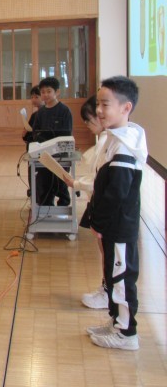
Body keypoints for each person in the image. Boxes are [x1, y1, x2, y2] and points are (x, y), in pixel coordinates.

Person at [83, 76, 147, 351]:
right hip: (111, 226)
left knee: (121, 279)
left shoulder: (125, 145)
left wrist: (99, 222)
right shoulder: (113, 137)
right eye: (98, 103)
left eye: (105, 104)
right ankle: (116, 321)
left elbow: (116, 193)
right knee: (112, 275)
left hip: (119, 226)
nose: (99, 110)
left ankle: (127, 333)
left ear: (125, 107)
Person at [63, 96, 109, 309]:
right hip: (98, 203)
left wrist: (76, 183)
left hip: (107, 207)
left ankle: (109, 292)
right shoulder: (104, 140)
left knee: (109, 252)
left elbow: (100, 179)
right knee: (104, 250)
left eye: (89, 120)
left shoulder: (111, 142)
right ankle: (107, 288)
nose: (89, 125)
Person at [31, 76, 73, 206]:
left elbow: (67, 134)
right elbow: (35, 132)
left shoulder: (65, 110)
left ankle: (63, 204)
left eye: (49, 91)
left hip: (61, 154)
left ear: (57, 92)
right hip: (44, 153)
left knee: (60, 180)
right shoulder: (40, 113)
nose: (45, 95)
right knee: (43, 181)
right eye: (43, 92)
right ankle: (46, 207)